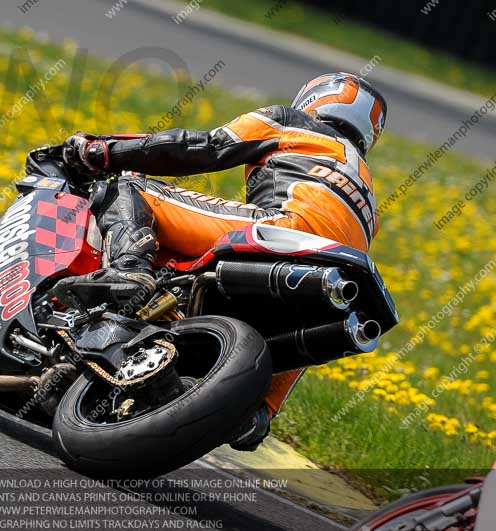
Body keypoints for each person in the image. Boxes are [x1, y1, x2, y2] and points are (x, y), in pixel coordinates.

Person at [52, 72, 388, 451]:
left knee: (131, 187)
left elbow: (205, 147)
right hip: (328, 275)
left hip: (281, 229)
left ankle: (128, 270)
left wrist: (104, 151)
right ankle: (259, 410)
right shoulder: (368, 194)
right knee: (305, 326)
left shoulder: (293, 122)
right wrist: (262, 403)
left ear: (316, 97)